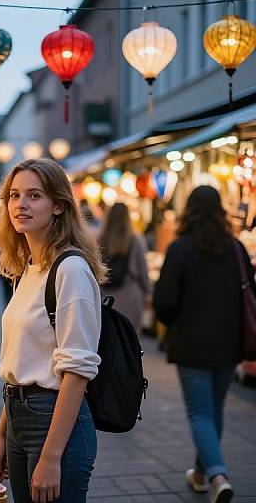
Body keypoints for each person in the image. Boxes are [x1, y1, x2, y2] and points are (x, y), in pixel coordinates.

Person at [0, 158, 106, 502]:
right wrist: (2, 432)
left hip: (53, 423)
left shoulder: (69, 269)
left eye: (34, 195)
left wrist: (52, 456)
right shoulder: (28, 267)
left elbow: (77, 371)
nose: (21, 204)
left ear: (58, 205)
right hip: (18, 416)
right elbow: (19, 359)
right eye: (14, 195)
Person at [153, 186, 256, 503]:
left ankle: (217, 475)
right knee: (214, 410)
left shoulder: (180, 249)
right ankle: (201, 474)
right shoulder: (236, 248)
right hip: (229, 343)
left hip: (191, 344)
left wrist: (175, 322)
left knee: (200, 413)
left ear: (189, 210)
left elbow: (164, 302)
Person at [99, 202, 150, 333]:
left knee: (109, 339)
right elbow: (143, 271)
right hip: (131, 294)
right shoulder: (135, 240)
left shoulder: (99, 240)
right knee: (131, 341)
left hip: (106, 297)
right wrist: (147, 293)